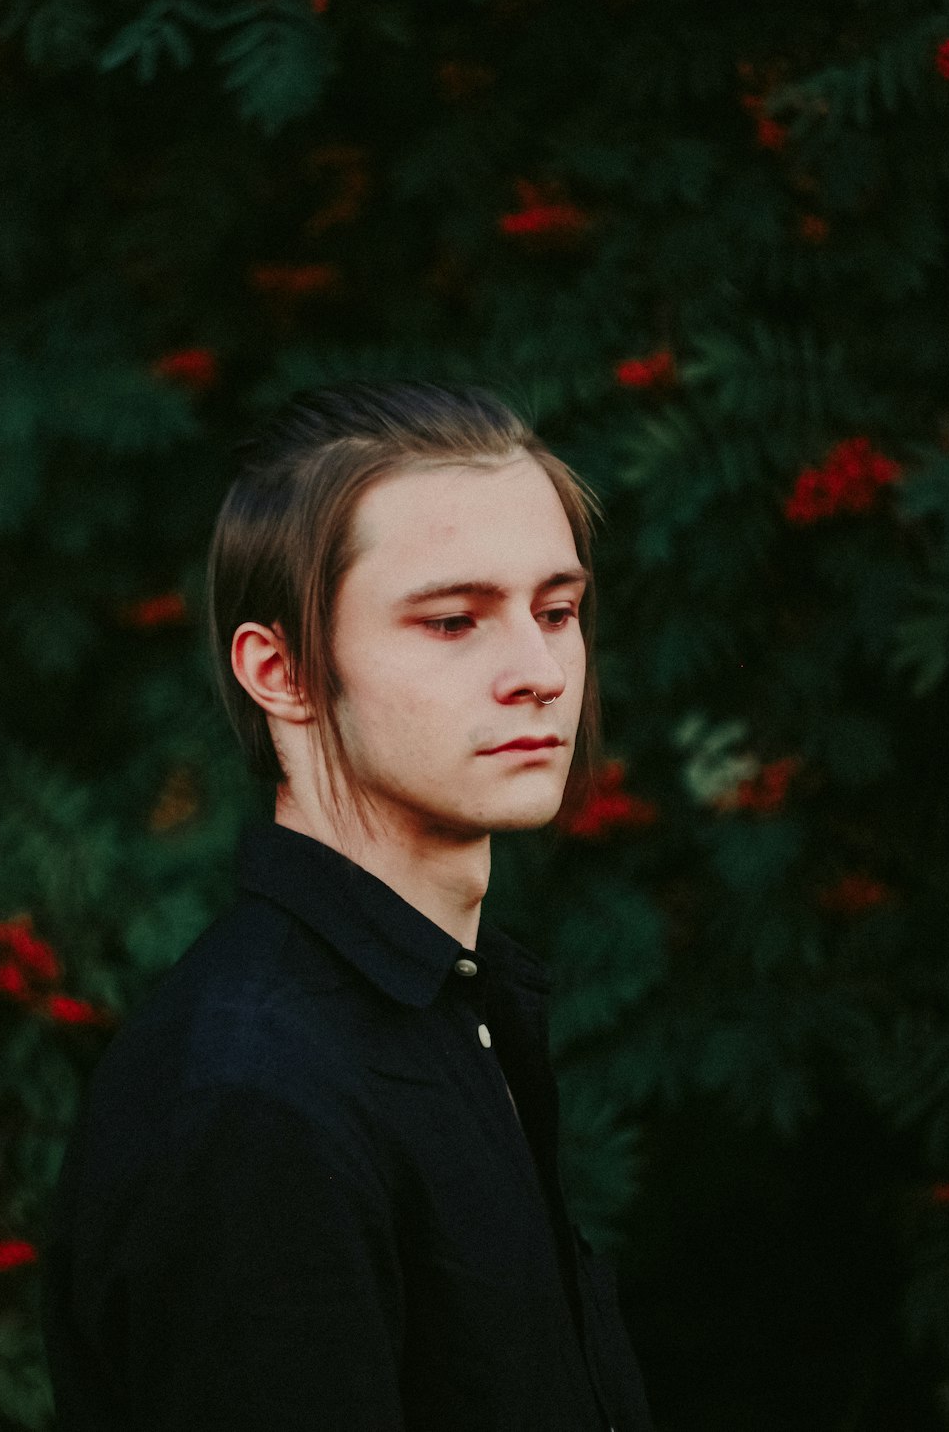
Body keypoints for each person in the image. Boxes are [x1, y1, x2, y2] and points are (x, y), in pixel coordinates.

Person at [41, 383, 655, 1431]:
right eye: (455, 621)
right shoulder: (253, 1097)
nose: (540, 671)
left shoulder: (449, 1009)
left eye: (556, 611)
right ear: (279, 671)